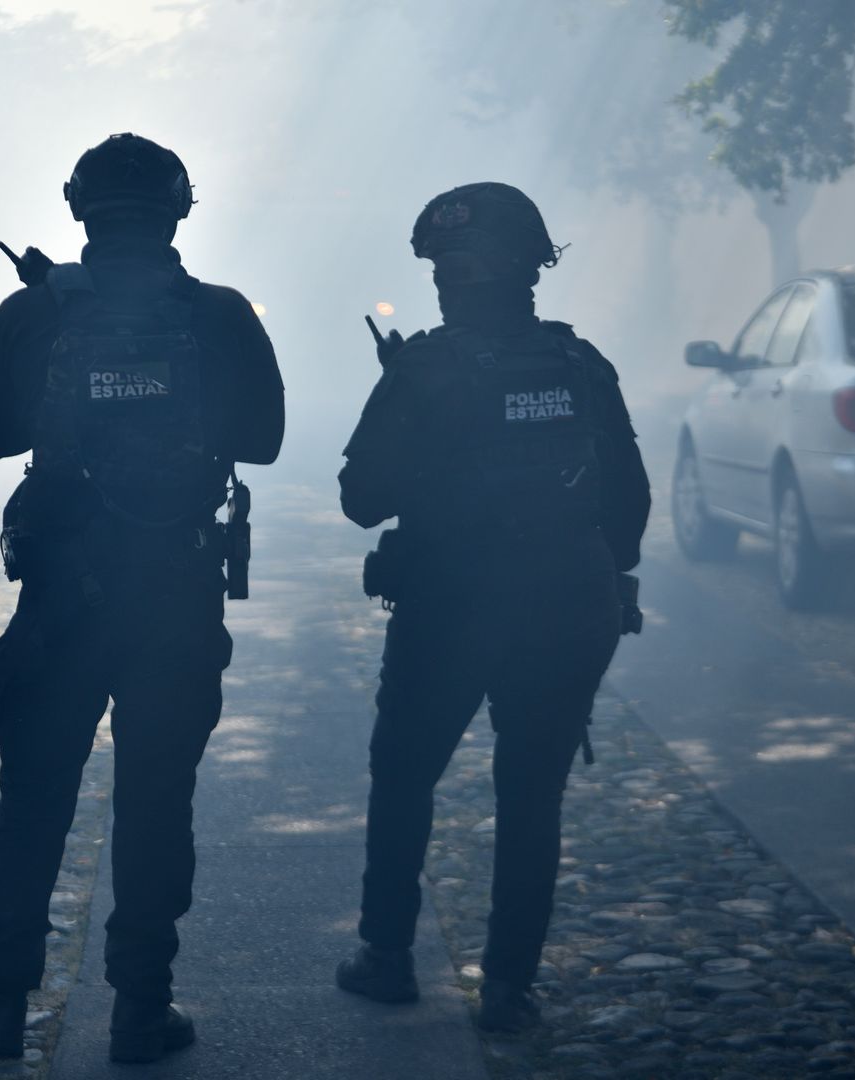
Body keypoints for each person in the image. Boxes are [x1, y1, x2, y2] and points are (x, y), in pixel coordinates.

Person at [0, 133, 284, 1063]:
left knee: (33, 799)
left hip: (60, 596)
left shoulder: (35, 313)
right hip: (175, 592)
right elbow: (263, 442)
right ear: (179, 211)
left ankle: (1, 1003)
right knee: (156, 804)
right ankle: (141, 1008)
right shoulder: (220, 315)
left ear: (78, 209)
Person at [333, 182, 650, 1033]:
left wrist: (415, 420)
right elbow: (629, 502)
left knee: (404, 776)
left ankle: (387, 956)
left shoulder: (425, 368)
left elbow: (362, 499)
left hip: (448, 610)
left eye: (453, 267)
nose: (446, 281)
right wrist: (601, 574)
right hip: (569, 609)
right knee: (533, 795)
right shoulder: (580, 365)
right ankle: (509, 988)